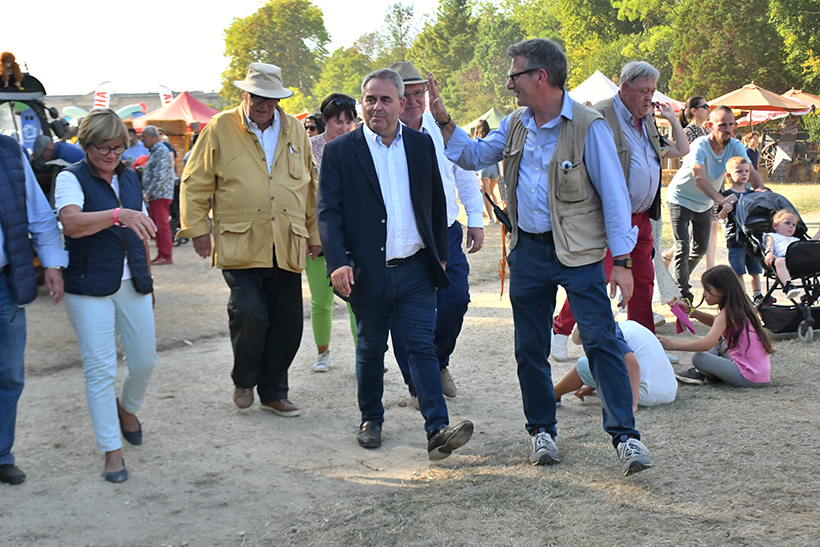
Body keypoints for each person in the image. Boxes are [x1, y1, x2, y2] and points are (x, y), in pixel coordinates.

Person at [430, 38, 651, 476]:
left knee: (603, 343)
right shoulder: (515, 123)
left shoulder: (589, 126)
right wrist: (443, 121)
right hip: (528, 251)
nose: (509, 84)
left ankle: (626, 438)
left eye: (514, 75)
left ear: (540, 77)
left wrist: (623, 263)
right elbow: (473, 156)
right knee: (529, 347)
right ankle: (541, 432)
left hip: (581, 254)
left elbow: (613, 196)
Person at [317, 69, 474, 460]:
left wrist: (438, 256)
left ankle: (437, 428)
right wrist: (338, 262)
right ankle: (371, 418)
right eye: (370, 99)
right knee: (371, 348)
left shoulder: (422, 146)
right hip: (366, 272)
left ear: (401, 104)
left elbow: (437, 204)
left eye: (386, 100)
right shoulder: (341, 152)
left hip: (416, 269)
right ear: (362, 104)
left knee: (422, 347)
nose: (377, 107)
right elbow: (328, 213)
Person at [178, 63, 320, 417]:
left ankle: (274, 392)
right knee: (251, 312)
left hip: (286, 241)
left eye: (270, 97)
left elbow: (309, 187)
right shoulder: (220, 127)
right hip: (240, 241)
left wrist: (316, 234)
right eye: (257, 95)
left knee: (288, 322)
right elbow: (195, 180)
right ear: (245, 93)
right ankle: (245, 380)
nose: (263, 103)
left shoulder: (295, 131)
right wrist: (197, 228)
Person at [550, 61, 689, 361]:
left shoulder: (649, 119)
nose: (649, 97)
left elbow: (679, 151)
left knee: (643, 279)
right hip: (610, 216)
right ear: (625, 88)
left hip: (642, 217)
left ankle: (644, 345)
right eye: (643, 91)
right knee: (596, 277)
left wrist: (672, 119)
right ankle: (560, 331)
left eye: (652, 91)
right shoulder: (599, 114)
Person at [55, 108, 159, 483]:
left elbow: (142, 228)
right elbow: (71, 223)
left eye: (117, 147)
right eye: (102, 147)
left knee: (145, 361)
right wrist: (116, 214)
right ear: (86, 145)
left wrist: (147, 283)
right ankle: (111, 452)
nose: (111, 155)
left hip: (132, 282)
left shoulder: (131, 177)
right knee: (100, 370)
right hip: (87, 285)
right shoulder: (70, 177)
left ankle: (127, 409)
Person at [387, 60, 485, 403]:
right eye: (406, 94)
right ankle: (418, 383)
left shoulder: (439, 127)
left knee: (456, 300)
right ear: (394, 97)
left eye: (419, 93)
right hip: (403, 239)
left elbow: (464, 175)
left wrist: (475, 218)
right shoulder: (380, 136)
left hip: (445, 232)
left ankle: (438, 361)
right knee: (406, 313)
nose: (413, 100)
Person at [0, 135, 68, 486]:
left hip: (4, 283)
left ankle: (1, 454)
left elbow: (38, 214)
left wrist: (53, 264)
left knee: (9, 374)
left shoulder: (9, 151)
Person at [665, 106, 764, 302]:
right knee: (683, 245)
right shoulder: (699, 146)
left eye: (731, 124)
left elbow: (752, 174)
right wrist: (721, 199)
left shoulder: (735, 146)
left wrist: (762, 194)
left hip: (703, 203)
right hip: (680, 198)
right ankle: (683, 291)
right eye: (722, 125)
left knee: (700, 248)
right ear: (710, 126)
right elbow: (699, 178)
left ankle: (677, 279)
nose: (728, 129)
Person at [306, 93, 359, 372]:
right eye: (338, 122)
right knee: (321, 299)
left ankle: (364, 353)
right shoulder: (308, 148)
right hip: (317, 236)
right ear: (325, 120)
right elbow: (304, 196)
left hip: (351, 236)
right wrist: (313, 237)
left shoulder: (359, 147)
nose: (344, 127)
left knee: (355, 298)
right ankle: (322, 353)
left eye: (349, 122)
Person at [659, 265, 772, 387]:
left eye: (708, 290)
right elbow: (715, 321)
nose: (704, 294)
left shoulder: (726, 315)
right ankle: (703, 372)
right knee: (719, 341)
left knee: (699, 358)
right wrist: (692, 312)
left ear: (723, 291)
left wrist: (672, 345)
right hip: (759, 374)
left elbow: (706, 344)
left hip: (748, 377)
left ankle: (700, 372)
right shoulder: (741, 308)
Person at [555, 321, 677, 412]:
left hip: (646, 395)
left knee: (583, 363)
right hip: (670, 392)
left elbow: (632, 365)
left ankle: (552, 394)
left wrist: (633, 404)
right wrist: (592, 385)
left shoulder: (610, 335)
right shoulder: (629, 326)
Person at [718, 157, 763, 303]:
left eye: (746, 171)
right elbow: (720, 218)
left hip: (751, 238)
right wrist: (725, 210)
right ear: (729, 175)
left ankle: (758, 295)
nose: (744, 174)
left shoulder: (752, 194)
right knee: (738, 270)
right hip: (735, 238)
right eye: (739, 171)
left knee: (754, 268)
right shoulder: (725, 196)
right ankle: (742, 296)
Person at [139, 125, 175, 265]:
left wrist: (149, 193)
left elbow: (159, 176)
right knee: (157, 226)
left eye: (144, 136)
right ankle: (162, 254)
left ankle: (166, 255)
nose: (142, 140)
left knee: (161, 226)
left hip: (159, 195)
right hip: (157, 195)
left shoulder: (160, 151)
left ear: (153, 137)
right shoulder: (157, 151)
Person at [764, 209, 803, 300]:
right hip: (784, 260)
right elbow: (769, 244)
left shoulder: (795, 239)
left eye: (793, 225)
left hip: (800, 260)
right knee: (779, 261)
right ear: (775, 226)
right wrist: (769, 253)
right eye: (787, 223)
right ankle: (788, 286)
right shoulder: (772, 236)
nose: (791, 227)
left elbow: (809, 246)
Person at [474, 120, 501, 225]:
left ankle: (490, 218)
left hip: (484, 168)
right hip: (494, 167)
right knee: (493, 193)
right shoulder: (492, 137)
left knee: (486, 194)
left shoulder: (477, 139)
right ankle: (498, 216)